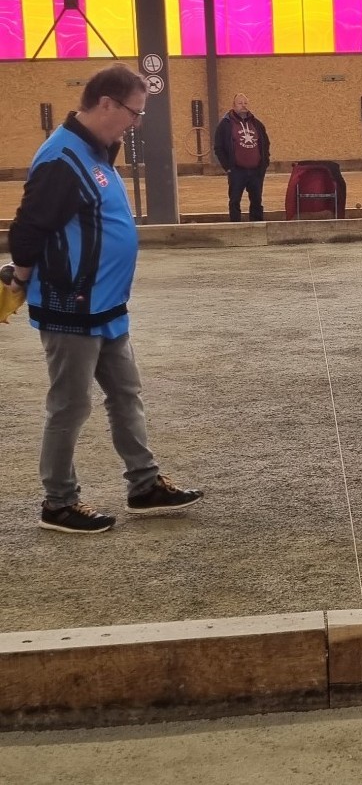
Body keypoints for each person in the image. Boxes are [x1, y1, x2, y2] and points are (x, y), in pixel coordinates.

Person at [6, 63, 203, 534]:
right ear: (107, 104)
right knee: (70, 405)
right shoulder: (62, 159)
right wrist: (19, 278)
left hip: (106, 303)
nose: (136, 123)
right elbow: (29, 227)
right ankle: (58, 503)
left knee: (125, 395)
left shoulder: (98, 150)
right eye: (134, 112)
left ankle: (144, 485)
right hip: (71, 303)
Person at [214, 93, 271, 222]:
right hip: (236, 171)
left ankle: (257, 228)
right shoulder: (225, 125)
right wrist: (228, 167)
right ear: (233, 106)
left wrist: (264, 164)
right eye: (240, 103)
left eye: (245, 103)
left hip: (256, 171)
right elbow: (218, 147)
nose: (243, 106)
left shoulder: (257, 124)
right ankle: (235, 228)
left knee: (257, 201)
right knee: (234, 201)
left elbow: (266, 144)